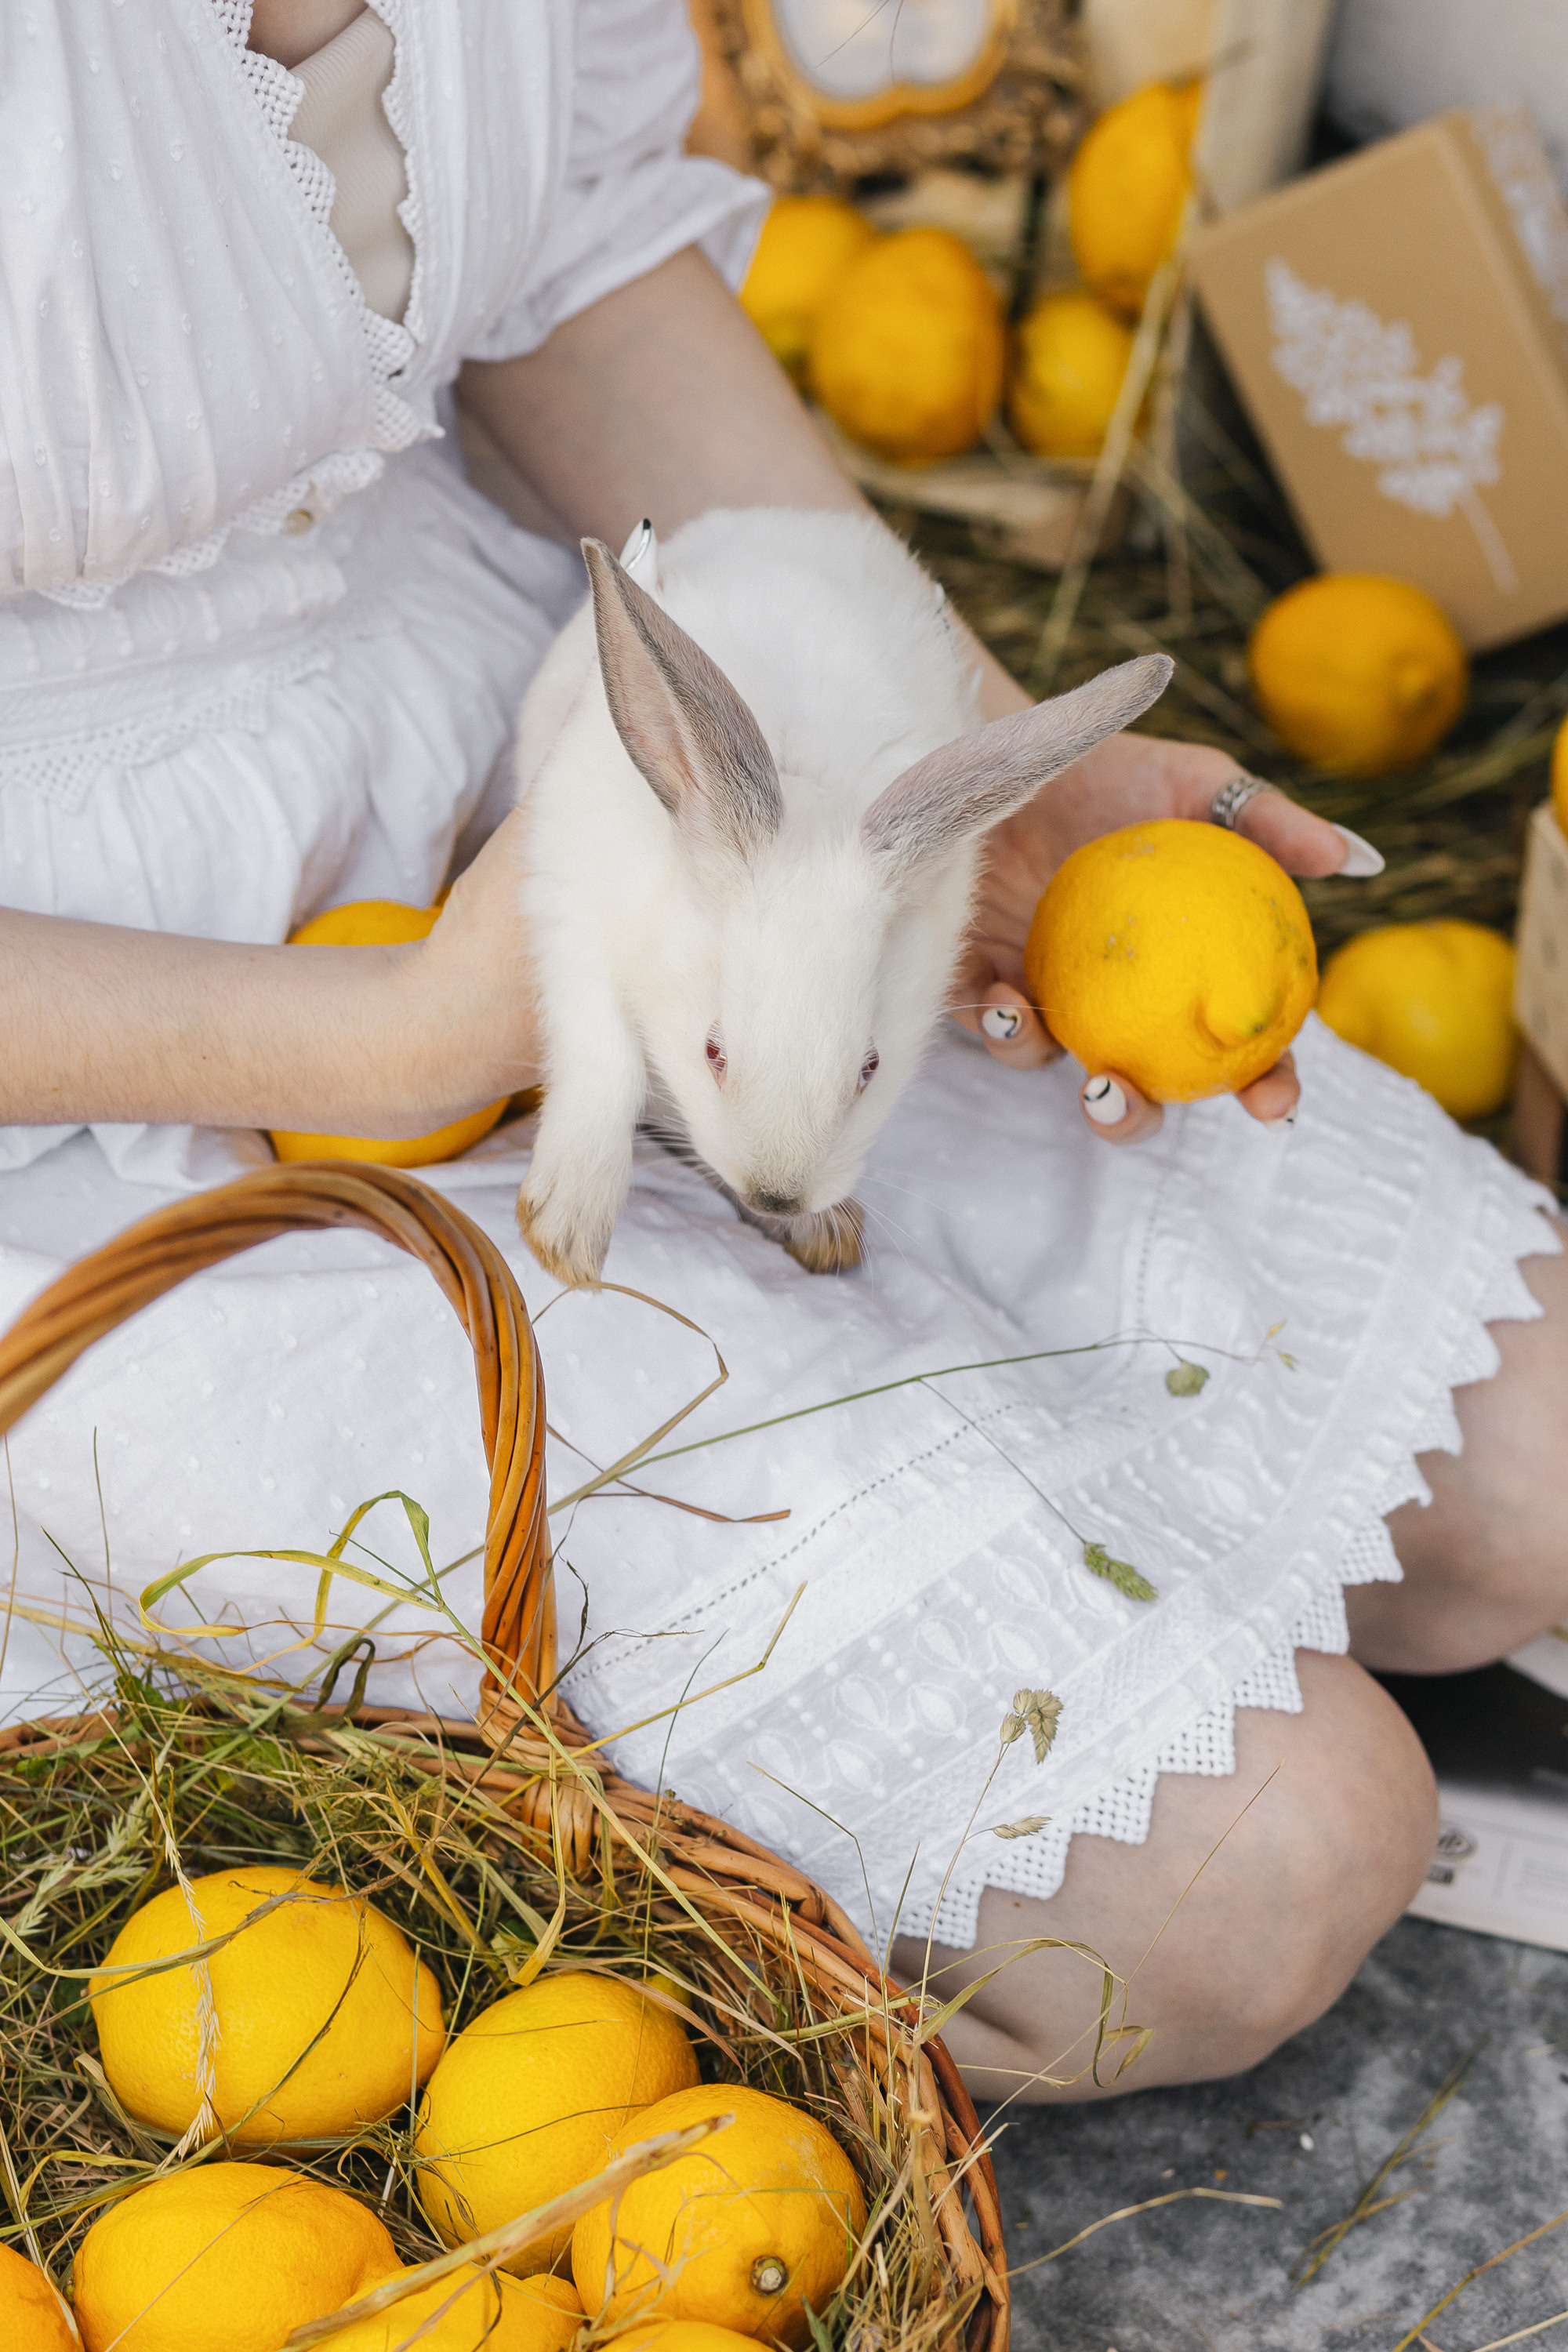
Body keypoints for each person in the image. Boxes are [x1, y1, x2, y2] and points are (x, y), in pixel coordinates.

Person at [1, 0, 1562, 2103]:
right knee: (1260, 1874)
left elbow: (571, 252)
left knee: (1535, 1471)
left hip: (603, 746)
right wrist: (392, 1035)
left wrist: (955, 755)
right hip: (107, 1076)